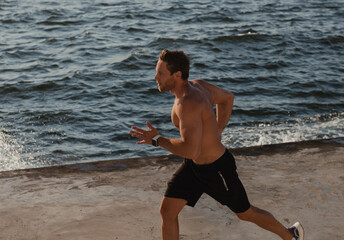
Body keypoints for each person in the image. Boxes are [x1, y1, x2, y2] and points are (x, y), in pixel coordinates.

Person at [130, 49, 304, 240]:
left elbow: (190, 149)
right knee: (168, 211)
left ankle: (291, 236)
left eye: (161, 73)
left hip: (216, 169)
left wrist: (157, 140)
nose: (155, 77)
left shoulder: (188, 103)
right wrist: (218, 130)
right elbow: (227, 98)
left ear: (177, 75)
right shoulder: (199, 86)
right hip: (194, 167)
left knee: (245, 213)